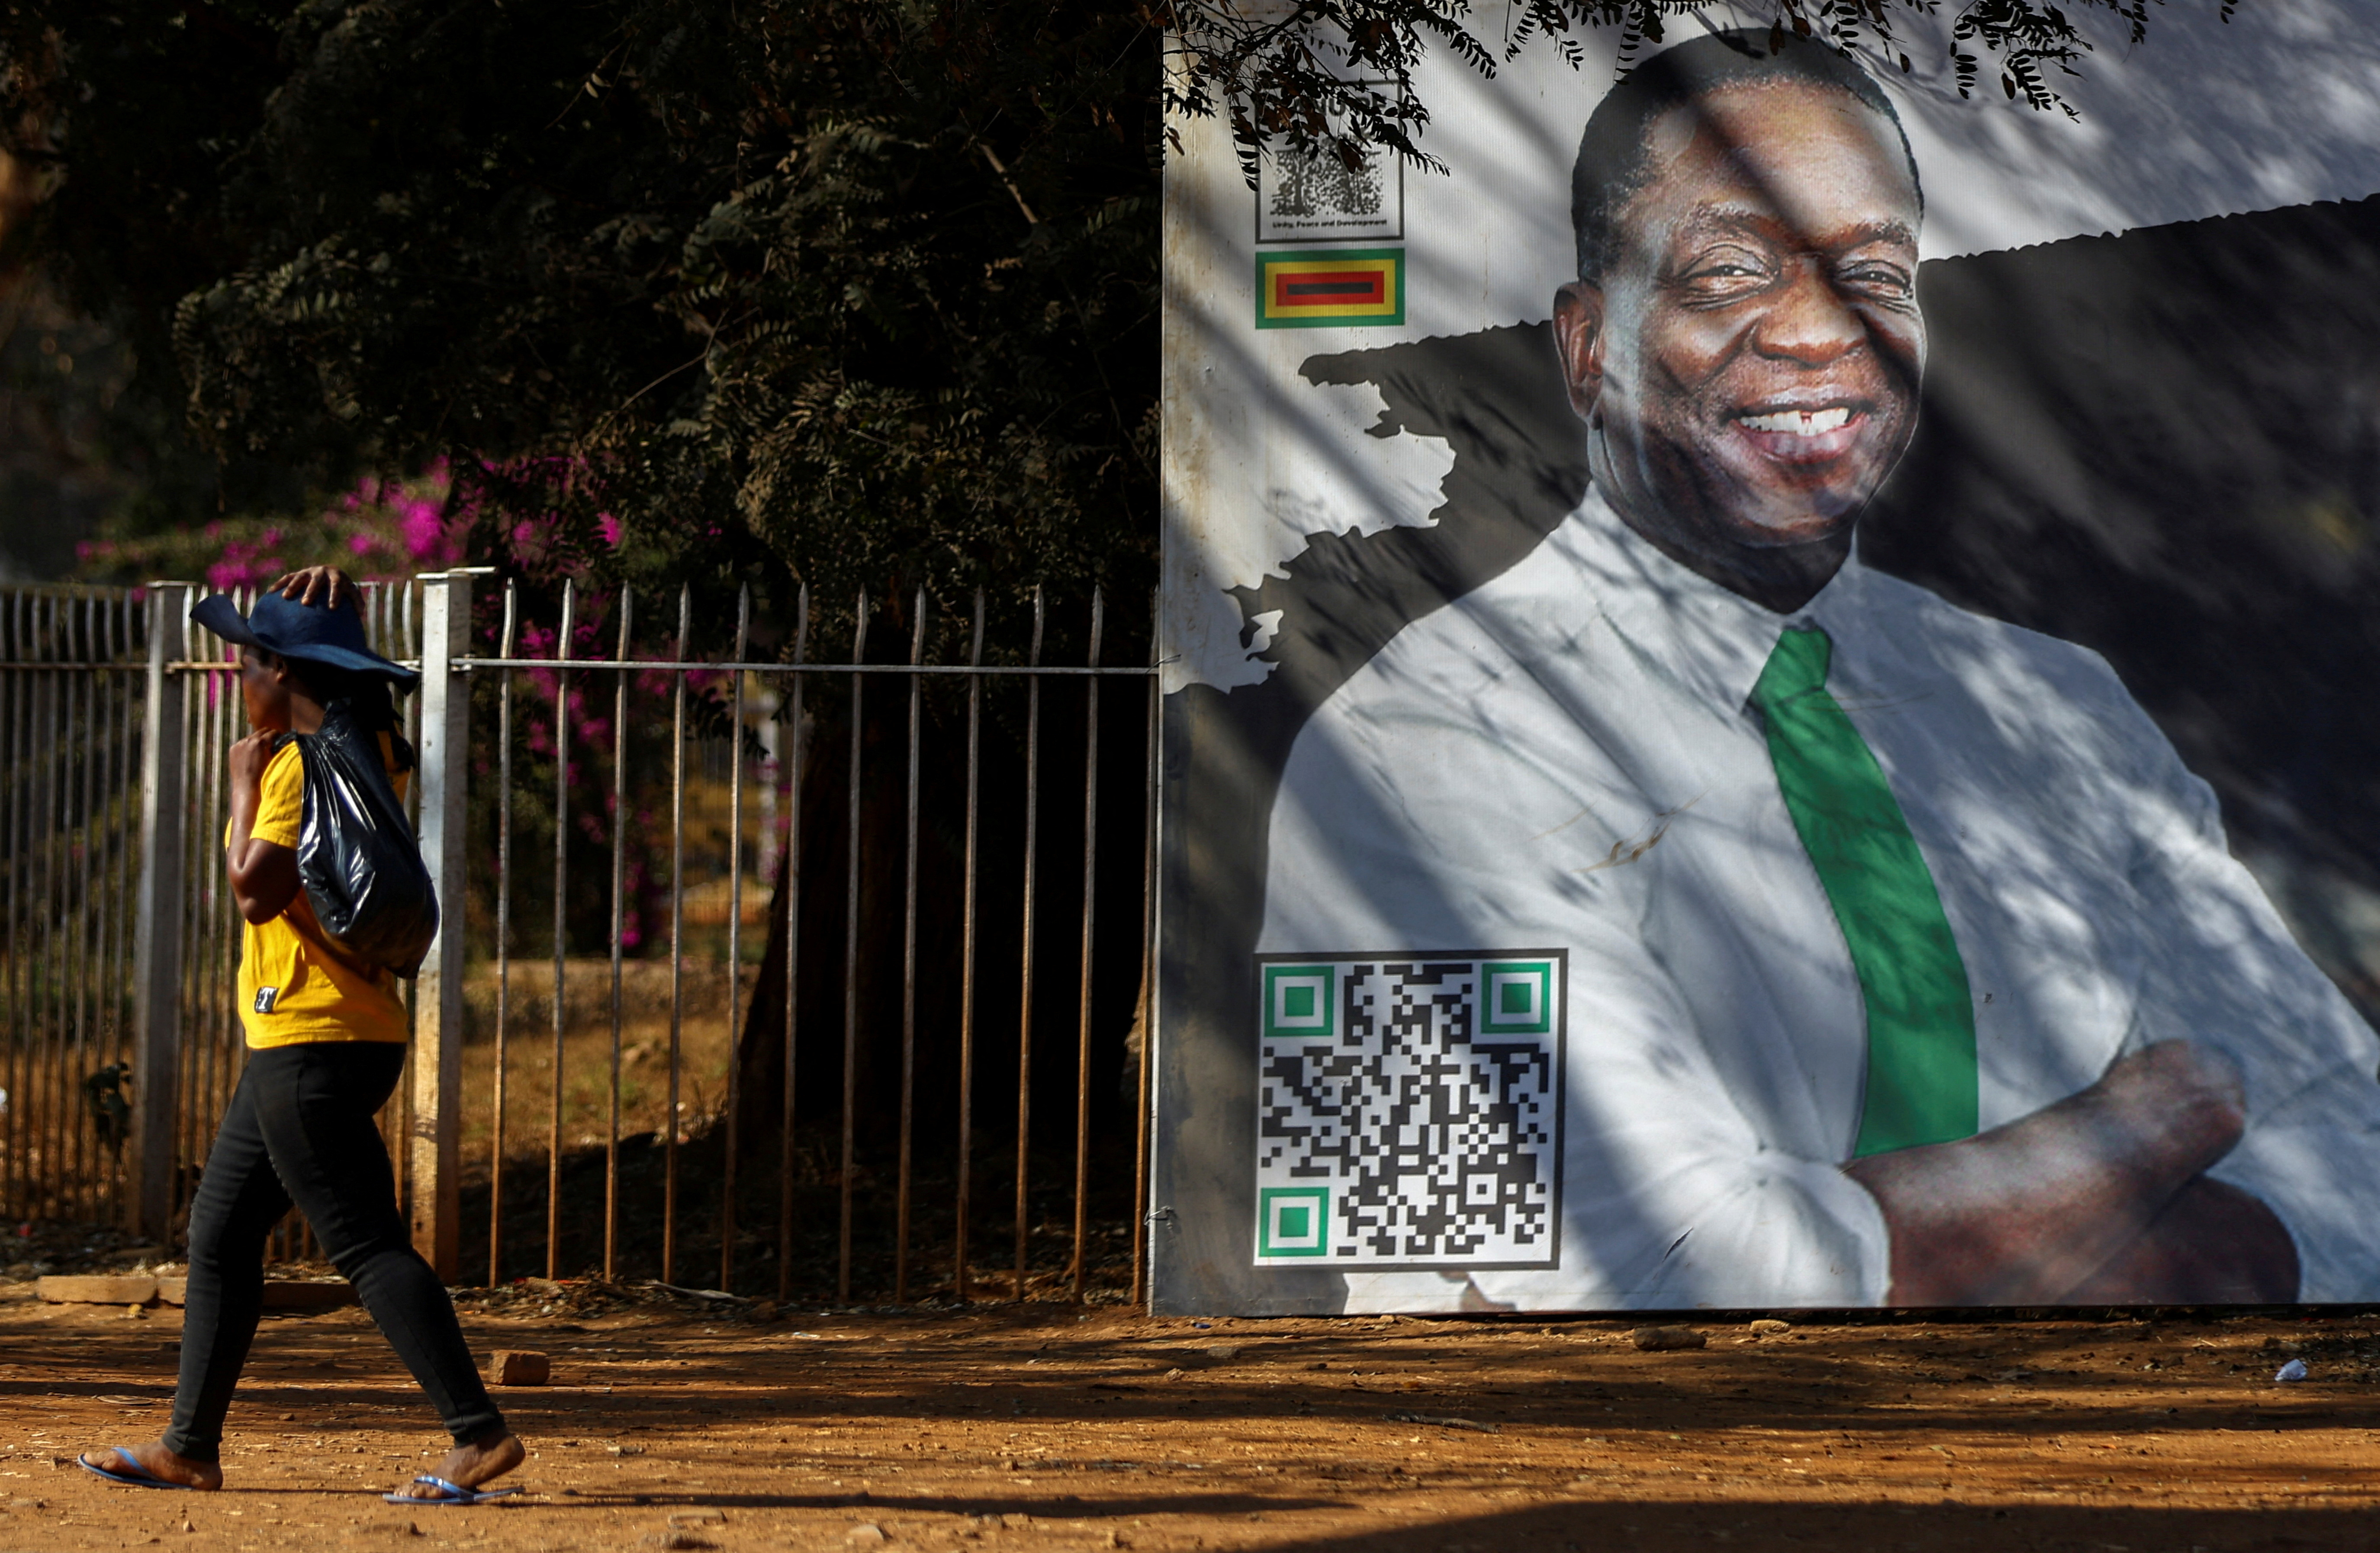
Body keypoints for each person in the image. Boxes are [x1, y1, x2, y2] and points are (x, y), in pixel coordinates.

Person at [1258, 31, 2380, 1309]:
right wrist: (2154, 1126)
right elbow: (1644, 1280)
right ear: (1585, 348)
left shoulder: (2059, 708)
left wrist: (1976, 1245)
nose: (1813, 329)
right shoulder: (1417, 743)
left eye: (1872, 272)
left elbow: (2350, 1156)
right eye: (1728, 271)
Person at [79, 565, 526, 1504]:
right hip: (347, 1035)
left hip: (307, 1038)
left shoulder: (290, 765)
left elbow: (255, 892)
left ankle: (476, 1432)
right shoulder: (373, 751)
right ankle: (189, 1445)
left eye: (250, 661)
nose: (241, 678)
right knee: (220, 1235)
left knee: (362, 1242)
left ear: (283, 670)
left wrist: (242, 784)